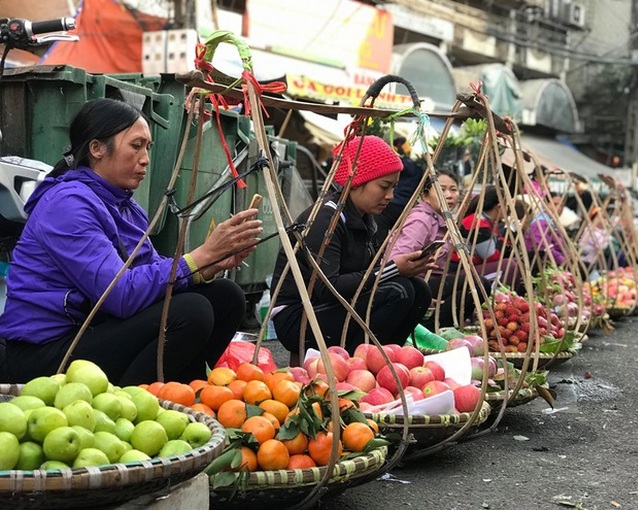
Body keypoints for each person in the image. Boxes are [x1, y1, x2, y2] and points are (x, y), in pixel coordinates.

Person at [0, 99, 262, 385]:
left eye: (148, 147)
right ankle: (137, 405)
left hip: (94, 334)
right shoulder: (67, 204)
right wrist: (197, 258)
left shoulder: (124, 204)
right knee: (189, 312)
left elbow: (148, 269)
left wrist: (207, 267)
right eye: (136, 146)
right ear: (97, 149)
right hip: (47, 353)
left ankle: (185, 394)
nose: (146, 158)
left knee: (226, 296)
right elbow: (119, 294)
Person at [270, 135, 434, 358]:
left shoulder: (367, 219)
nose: (390, 196)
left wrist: (404, 270)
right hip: (299, 317)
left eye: (394, 187)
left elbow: (364, 277)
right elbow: (328, 288)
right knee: (399, 291)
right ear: (356, 181)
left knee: (419, 289)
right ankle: (358, 363)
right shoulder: (326, 218)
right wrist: (394, 269)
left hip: (334, 308)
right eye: (384, 186)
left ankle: (380, 361)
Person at [387, 170, 490, 327]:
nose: (449, 195)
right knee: (478, 283)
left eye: (453, 189)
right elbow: (395, 260)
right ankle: (429, 326)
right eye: (441, 189)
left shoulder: (444, 220)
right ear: (425, 196)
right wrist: (422, 295)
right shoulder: (421, 220)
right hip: (415, 286)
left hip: (429, 284)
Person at [451, 187, 522, 292]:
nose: (508, 210)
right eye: (507, 206)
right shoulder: (476, 223)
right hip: (459, 271)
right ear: (498, 207)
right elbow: (491, 257)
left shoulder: (489, 222)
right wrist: (508, 232)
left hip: (474, 267)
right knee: (509, 265)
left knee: (517, 262)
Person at [374, 137, 423, 245]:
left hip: (392, 204)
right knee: (401, 238)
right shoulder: (419, 167)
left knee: (380, 236)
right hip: (407, 207)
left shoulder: (403, 164)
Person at [524, 192, 569, 268]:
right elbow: (544, 248)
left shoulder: (553, 223)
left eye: (562, 205)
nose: (560, 208)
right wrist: (563, 261)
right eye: (555, 204)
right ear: (545, 205)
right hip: (541, 266)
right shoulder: (540, 223)